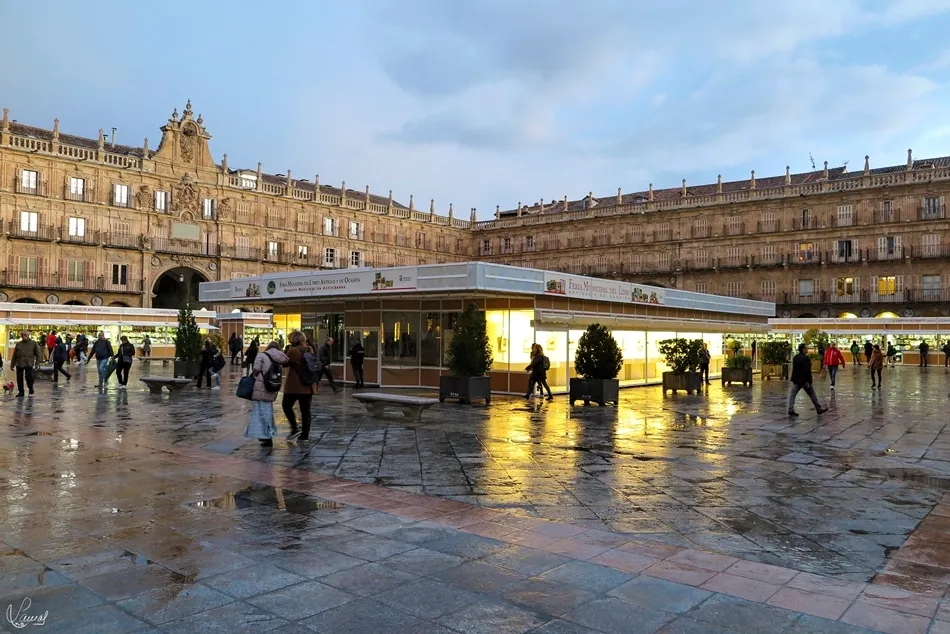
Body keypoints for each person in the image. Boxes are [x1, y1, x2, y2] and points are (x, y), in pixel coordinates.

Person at [246, 341, 289, 448]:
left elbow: (256, 368)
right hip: (272, 386)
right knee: (268, 411)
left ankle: (266, 436)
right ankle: (267, 435)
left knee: (261, 412)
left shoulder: (262, 355)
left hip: (261, 386)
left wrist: (255, 375)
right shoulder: (280, 357)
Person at [283, 331, 316, 441]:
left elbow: (284, 363)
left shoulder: (293, 350)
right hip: (308, 385)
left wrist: (286, 351)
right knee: (306, 411)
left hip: (295, 385)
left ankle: (294, 428)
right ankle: (305, 436)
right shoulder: (309, 349)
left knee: (286, 406)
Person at [788, 343, 828, 417]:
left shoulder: (796, 357)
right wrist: (809, 381)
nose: (807, 349)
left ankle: (790, 409)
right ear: (803, 349)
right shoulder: (806, 358)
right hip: (804, 380)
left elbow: (794, 369)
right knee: (812, 394)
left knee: (793, 395)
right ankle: (818, 408)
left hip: (796, 380)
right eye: (806, 348)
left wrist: (793, 378)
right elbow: (807, 371)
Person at [11, 331, 41, 397]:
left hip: (28, 363)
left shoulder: (33, 343)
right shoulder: (18, 344)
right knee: (19, 378)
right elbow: (14, 355)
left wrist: (37, 364)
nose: (23, 336)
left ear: (28, 335)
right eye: (22, 335)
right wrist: (12, 365)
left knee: (29, 377)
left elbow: (38, 354)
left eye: (25, 334)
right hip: (19, 363)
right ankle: (21, 392)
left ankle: (30, 388)